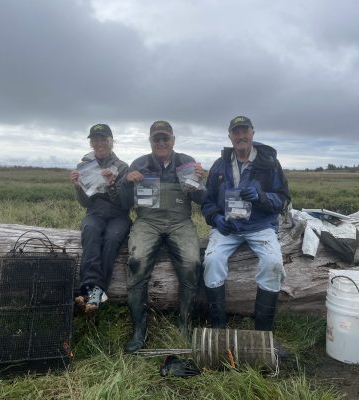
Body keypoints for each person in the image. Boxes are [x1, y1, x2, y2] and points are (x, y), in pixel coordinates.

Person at [119, 120, 206, 353]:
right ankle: (140, 329)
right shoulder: (139, 163)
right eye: (156, 139)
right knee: (136, 262)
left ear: (173, 140)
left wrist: (199, 181)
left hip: (180, 222)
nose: (161, 142)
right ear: (150, 141)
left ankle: (184, 322)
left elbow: (201, 199)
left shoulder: (187, 162)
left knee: (193, 262)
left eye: (165, 138)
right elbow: (124, 202)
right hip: (147, 221)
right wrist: (127, 183)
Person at [202, 116, 290, 331]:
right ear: (229, 136)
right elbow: (207, 200)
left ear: (253, 133)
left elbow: (283, 199)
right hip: (228, 228)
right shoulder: (220, 165)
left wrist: (261, 196)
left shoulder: (269, 164)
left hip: (260, 227)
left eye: (245, 131)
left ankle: (262, 332)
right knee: (212, 261)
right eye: (236, 132)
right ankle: (218, 329)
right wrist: (216, 218)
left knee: (273, 264)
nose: (240, 136)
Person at [70, 123, 131, 313]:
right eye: (95, 139)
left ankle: (94, 291)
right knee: (90, 231)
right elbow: (85, 203)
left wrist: (112, 185)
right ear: (91, 143)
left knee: (112, 239)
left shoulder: (122, 167)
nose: (99, 143)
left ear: (111, 142)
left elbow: (125, 203)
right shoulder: (84, 166)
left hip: (119, 216)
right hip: (94, 213)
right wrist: (78, 187)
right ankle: (90, 288)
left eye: (103, 139)